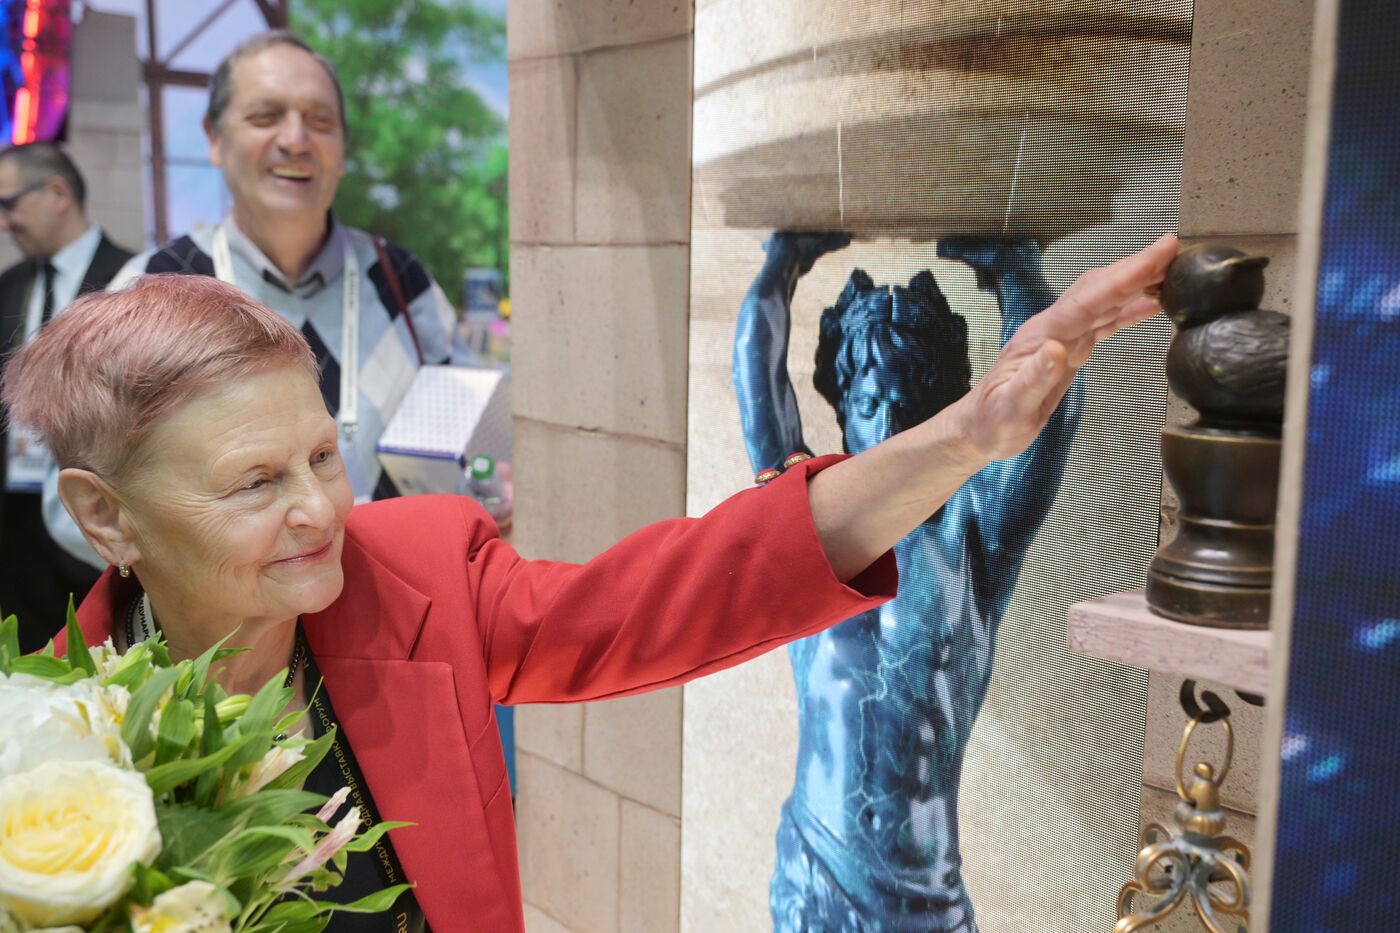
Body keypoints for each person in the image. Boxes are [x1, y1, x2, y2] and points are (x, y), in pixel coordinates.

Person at [15, 233, 1174, 930]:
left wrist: (969, 434)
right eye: (254, 483)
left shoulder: (414, 574)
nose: (320, 509)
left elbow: (686, 590)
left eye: (322, 455)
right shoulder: (45, 746)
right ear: (104, 514)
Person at [736, 233, 1085, 931]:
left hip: (921, 896)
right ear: (844, 410)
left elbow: (1053, 413)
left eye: (907, 404)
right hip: (815, 876)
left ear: (940, 410)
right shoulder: (811, 530)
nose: (889, 426)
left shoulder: (972, 533)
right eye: (870, 404)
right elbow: (760, 393)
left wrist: (1015, 273)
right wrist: (783, 261)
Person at [106, 29, 456, 506]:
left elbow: (468, 445)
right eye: (265, 117)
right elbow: (86, 494)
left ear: (343, 149)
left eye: (320, 121)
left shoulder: (400, 278)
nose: (295, 140)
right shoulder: (149, 290)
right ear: (214, 138)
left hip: (398, 557)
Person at [0, 143, 132, 652]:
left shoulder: (130, 278)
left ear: (57, 193)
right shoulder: (11, 285)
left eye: (9, 204)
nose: (5, 222)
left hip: (95, 512)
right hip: (16, 522)